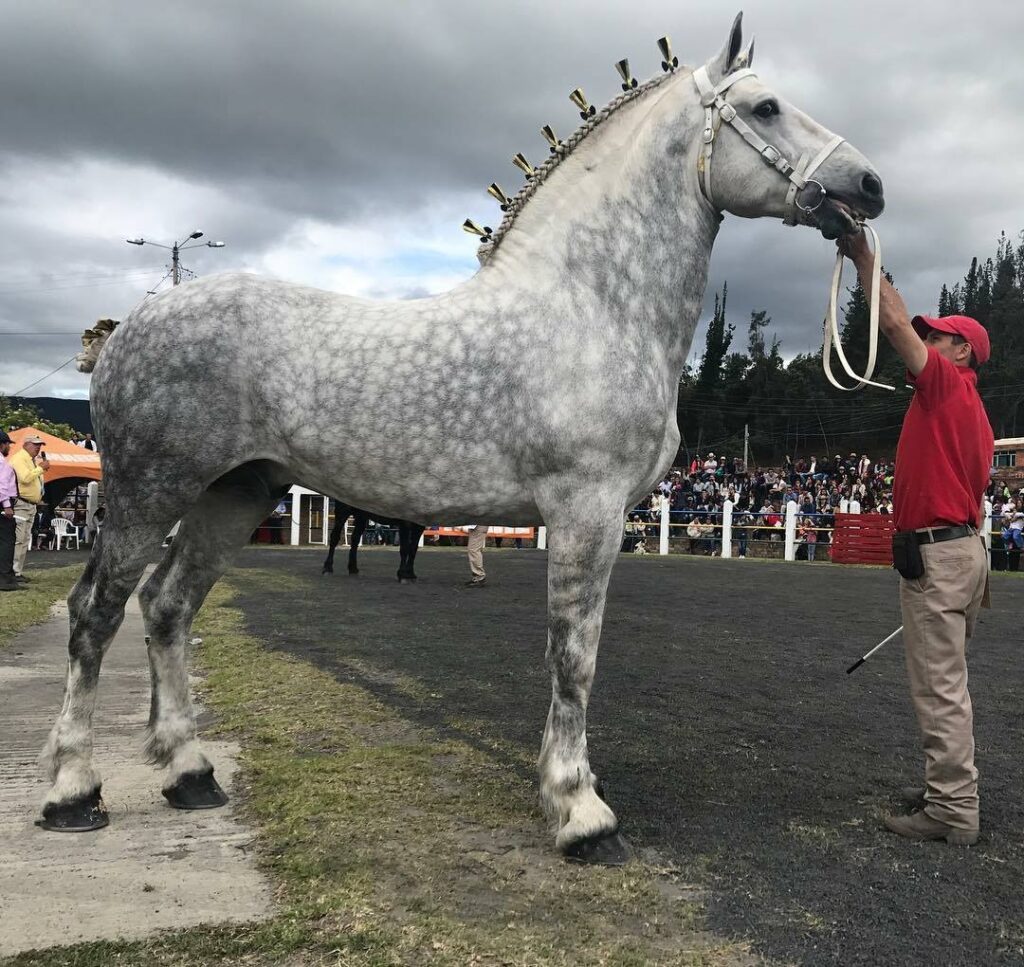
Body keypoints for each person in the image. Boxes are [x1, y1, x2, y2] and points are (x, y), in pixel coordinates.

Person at [842, 229, 993, 846]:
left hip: (939, 555)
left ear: (962, 354)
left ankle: (954, 810)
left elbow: (894, 321)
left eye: (939, 337)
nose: (926, 341)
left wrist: (862, 257)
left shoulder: (945, 386)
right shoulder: (972, 408)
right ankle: (948, 794)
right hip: (961, 552)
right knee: (947, 683)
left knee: (940, 689)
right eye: (929, 334)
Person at [9, 433, 49, 579]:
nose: (38, 448)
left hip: (30, 504)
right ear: (26, 445)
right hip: (21, 503)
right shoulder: (20, 458)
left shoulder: (31, 460)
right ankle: (12, 571)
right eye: (35, 445)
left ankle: (17, 571)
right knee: (19, 539)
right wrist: (40, 468)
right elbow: (25, 478)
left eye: (40, 445)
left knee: (25, 539)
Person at [0, 431, 21, 591]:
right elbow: (1, 486)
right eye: (8, 444)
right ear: (2, 444)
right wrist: (7, 505)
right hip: (3, 505)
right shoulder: (2, 463)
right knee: (7, 541)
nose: (9, 447)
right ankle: (5, 579)